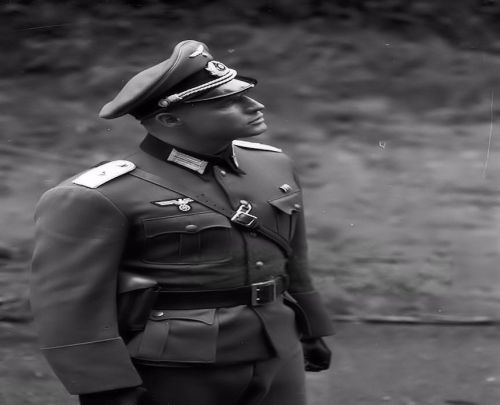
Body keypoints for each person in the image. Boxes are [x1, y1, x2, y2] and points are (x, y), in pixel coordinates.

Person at [31, 40, 334, 405]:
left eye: (246, 94)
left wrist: (311, 328)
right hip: (177, 365)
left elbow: (292, 258)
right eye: (227, 102)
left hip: (277, 347)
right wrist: (105, 385)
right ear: (170, 119)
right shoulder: (97, 195)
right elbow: (70, 304)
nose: (255, 105)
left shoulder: (273, 166)